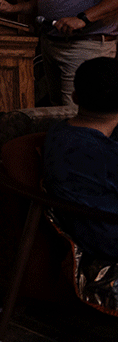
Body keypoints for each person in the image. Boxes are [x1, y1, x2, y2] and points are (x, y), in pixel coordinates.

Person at [43, 57, 118, 261]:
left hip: (86, 233)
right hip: (106, 243)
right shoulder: (102, 155)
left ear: (75, 97)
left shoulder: (58, 132)